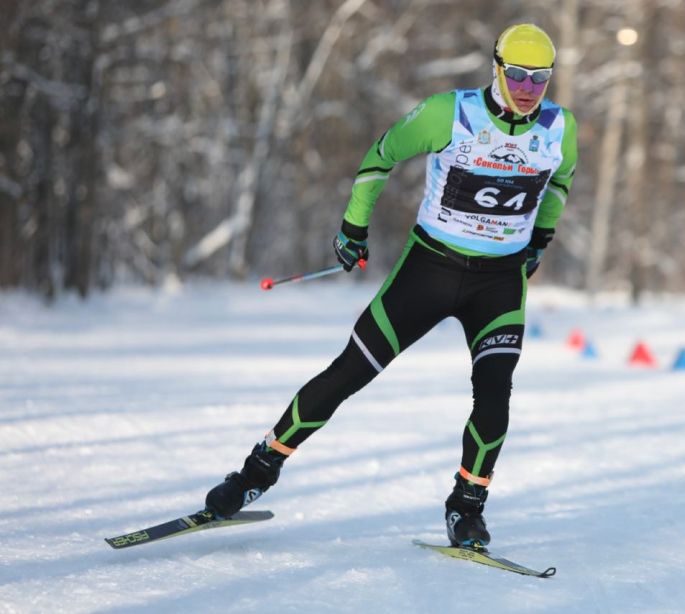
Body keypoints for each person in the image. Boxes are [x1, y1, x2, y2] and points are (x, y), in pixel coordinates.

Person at [205, 24, 578, 549]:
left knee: (494, 396)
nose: (526, 88)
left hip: (499, 281)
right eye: (516, 74)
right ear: (497, 68)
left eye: (539, 79)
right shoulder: (450, 113)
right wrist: (353, 228)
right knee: (348, 374)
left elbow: (558, 182)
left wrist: (540, 240)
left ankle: (466, 509)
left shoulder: (561, 128)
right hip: (430, 270)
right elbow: (380, 156)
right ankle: (254, 474)